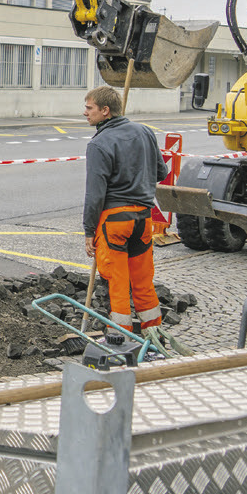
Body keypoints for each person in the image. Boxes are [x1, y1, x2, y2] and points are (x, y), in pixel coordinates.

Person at [82, 85, 168, 335]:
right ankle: (154, 333)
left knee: (117, 283)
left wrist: (89, 231)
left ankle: (121, 337)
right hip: (143, 218)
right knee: (142, 280)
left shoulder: (98, 144)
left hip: (114, 222)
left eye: (89, 108)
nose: (85, 113)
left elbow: (95, 194)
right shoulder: (144, 132)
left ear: (105, 111)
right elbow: (161, 172)